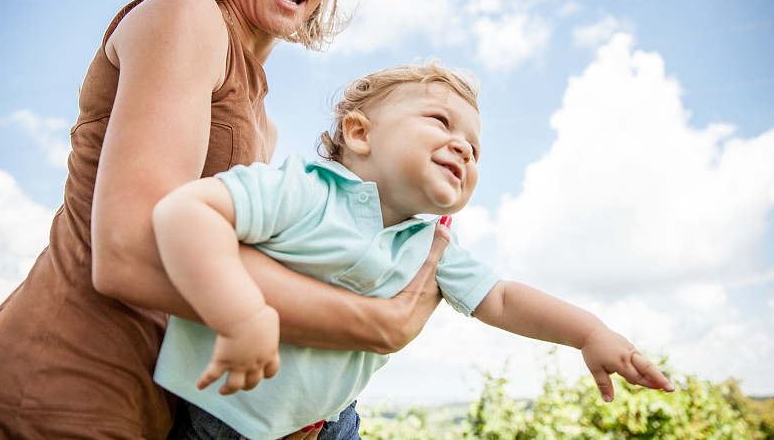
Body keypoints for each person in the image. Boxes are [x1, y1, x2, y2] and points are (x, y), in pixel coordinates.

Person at [0, 0, 451, 439]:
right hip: (59, 385)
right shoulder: (188, 13)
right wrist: (376, 324)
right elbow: (128, 255)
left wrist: (288, 403)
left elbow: (217, 279)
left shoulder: (264, 124)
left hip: (154, 408)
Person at [151, 60, 676, 440]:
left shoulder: (432, 243)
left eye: (475, 148)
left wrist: (589, 333)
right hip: (223, 419)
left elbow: (504, 299)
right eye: (441, 122)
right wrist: (240, 313)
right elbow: (185, 213)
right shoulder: (304, 190)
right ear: (359, 133)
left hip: (329, 424)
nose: (463, 148)